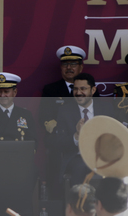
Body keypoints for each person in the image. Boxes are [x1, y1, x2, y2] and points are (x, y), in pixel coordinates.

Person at [40, 46, 90, 199]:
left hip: (88, 145)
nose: (69, 68)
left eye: (73, 64)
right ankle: (58, 215)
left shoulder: (90, 87)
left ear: (81, 67)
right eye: (65, 64)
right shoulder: (51, 90)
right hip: (61, 145)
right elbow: (46, 120)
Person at [49, 73, 114, 186]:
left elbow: (115, 136)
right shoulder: (64, 111)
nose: (78, 93)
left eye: (83, 89)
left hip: (103, 157)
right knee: (82, 167)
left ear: (93, 90)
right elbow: (59, 142)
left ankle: (105, 203)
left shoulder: (106, 109)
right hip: (77, 157)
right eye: (76, 89)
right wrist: (76, 136)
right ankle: (79, 203)